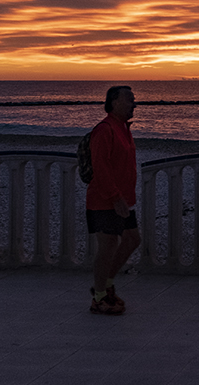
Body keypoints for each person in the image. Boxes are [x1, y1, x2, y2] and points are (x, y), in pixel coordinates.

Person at [86, 85, 141, 315]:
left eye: (134, 99)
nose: (134, 104)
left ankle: (107, 282)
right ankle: (99, 296)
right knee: (108, 246)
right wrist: (115, 197)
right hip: (105, 201)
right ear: (114, 102)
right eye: (129, 100)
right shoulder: (105, 129)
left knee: (132, 239)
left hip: (123, 200)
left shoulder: (123, 129)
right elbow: (101, 167)